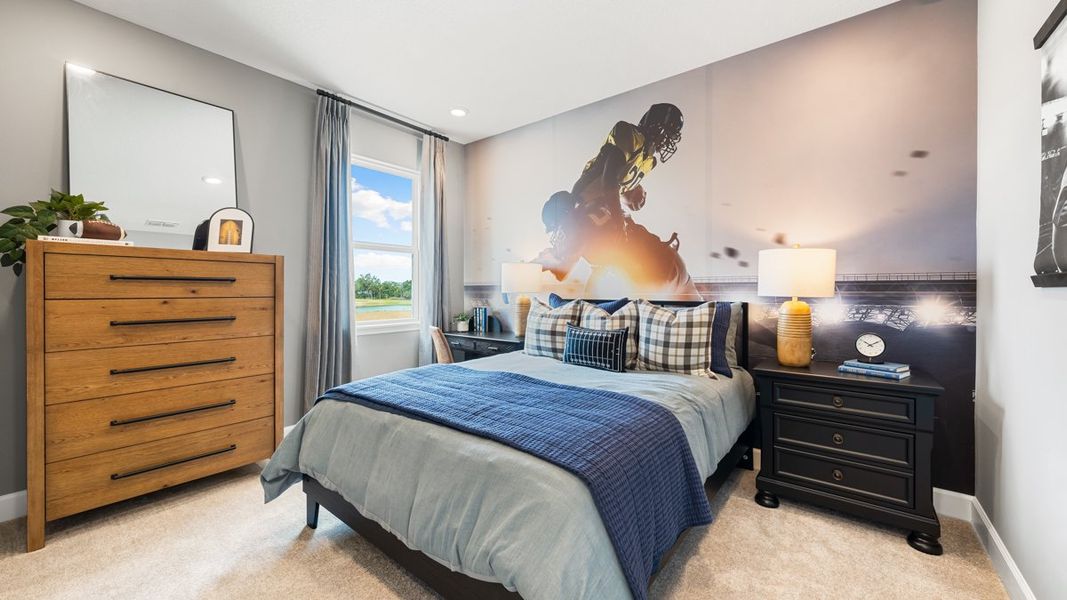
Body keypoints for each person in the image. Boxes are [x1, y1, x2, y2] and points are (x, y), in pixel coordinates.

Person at [535, 103, 699, 297]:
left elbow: (562, 272)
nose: (665, 140)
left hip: (657, 269)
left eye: (557, 231)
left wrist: (537, 268)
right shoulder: (629, 135)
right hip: (670, 266)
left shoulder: (582, 222)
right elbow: (609, 180)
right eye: (665, 133)